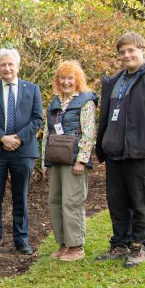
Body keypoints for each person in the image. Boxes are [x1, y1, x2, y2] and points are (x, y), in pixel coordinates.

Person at [95, 32, 145, 268]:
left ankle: (138, 247)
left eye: (131, 50)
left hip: (142, 154)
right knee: (117, 202)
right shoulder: (116, 80)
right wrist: (102, 147)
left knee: (142, 203)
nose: (126, 55)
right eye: (122, 52)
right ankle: (119, 244)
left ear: (143, 50)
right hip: (115, 154)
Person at [0, 48, 43, 256]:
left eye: (10, 64)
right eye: (2, 65)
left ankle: (21, 240)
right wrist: (2, 138)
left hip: (23, 151)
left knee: (21, 198)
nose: (6, 68)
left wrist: (18, 138)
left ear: (18, 66)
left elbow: (37, 119)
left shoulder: (32, 89)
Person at [41, 61, 98, 261]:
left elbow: (89, 133)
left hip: (74, 161)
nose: (66, 82)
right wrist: (44, 163)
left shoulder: (85, 101)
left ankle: (76, 247)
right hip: (55, 159)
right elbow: (47, 135)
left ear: (77, 80)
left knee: (72, 202)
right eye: (63, 78)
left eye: (70, 78)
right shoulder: (55, 101)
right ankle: (64, 244)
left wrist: (81, 161)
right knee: (55, 202)